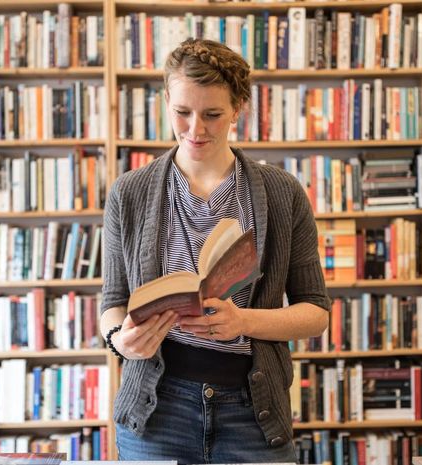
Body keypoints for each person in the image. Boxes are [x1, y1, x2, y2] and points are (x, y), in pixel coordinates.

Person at [100, 38, 330, 464]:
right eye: (182, 113)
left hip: (252, 410)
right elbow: (113, 303)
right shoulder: (129, 193)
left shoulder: (282, 193)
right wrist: (121, 341)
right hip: (157, 412)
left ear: (239, 107)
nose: (195, 130)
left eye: (212, 115)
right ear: (166, 99)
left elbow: (315, 312)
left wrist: (242, 320)